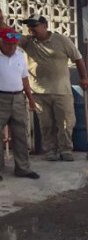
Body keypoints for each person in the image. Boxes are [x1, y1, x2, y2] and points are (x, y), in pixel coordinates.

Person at [19, 14, 88, 162]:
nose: (31, 29)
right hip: (39, 91)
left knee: (66, 122)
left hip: (61, 91)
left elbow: (78, 59)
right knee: (46, 124)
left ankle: (66, 149)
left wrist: (83, 78)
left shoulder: (62, 40)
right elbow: (9, 35)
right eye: (29, 26)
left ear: (44, 25)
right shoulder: (28, 42)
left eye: (35, 26)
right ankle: (51, 150)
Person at [0, 27, 39, 180]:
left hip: (17, 98)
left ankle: (23, 168)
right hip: (0, 98)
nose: (12, 48)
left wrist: (30, 99)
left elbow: (24, 79)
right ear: (1, 43)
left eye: (14, 45)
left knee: (21, 134)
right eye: (9, 45)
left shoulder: (20, 56)